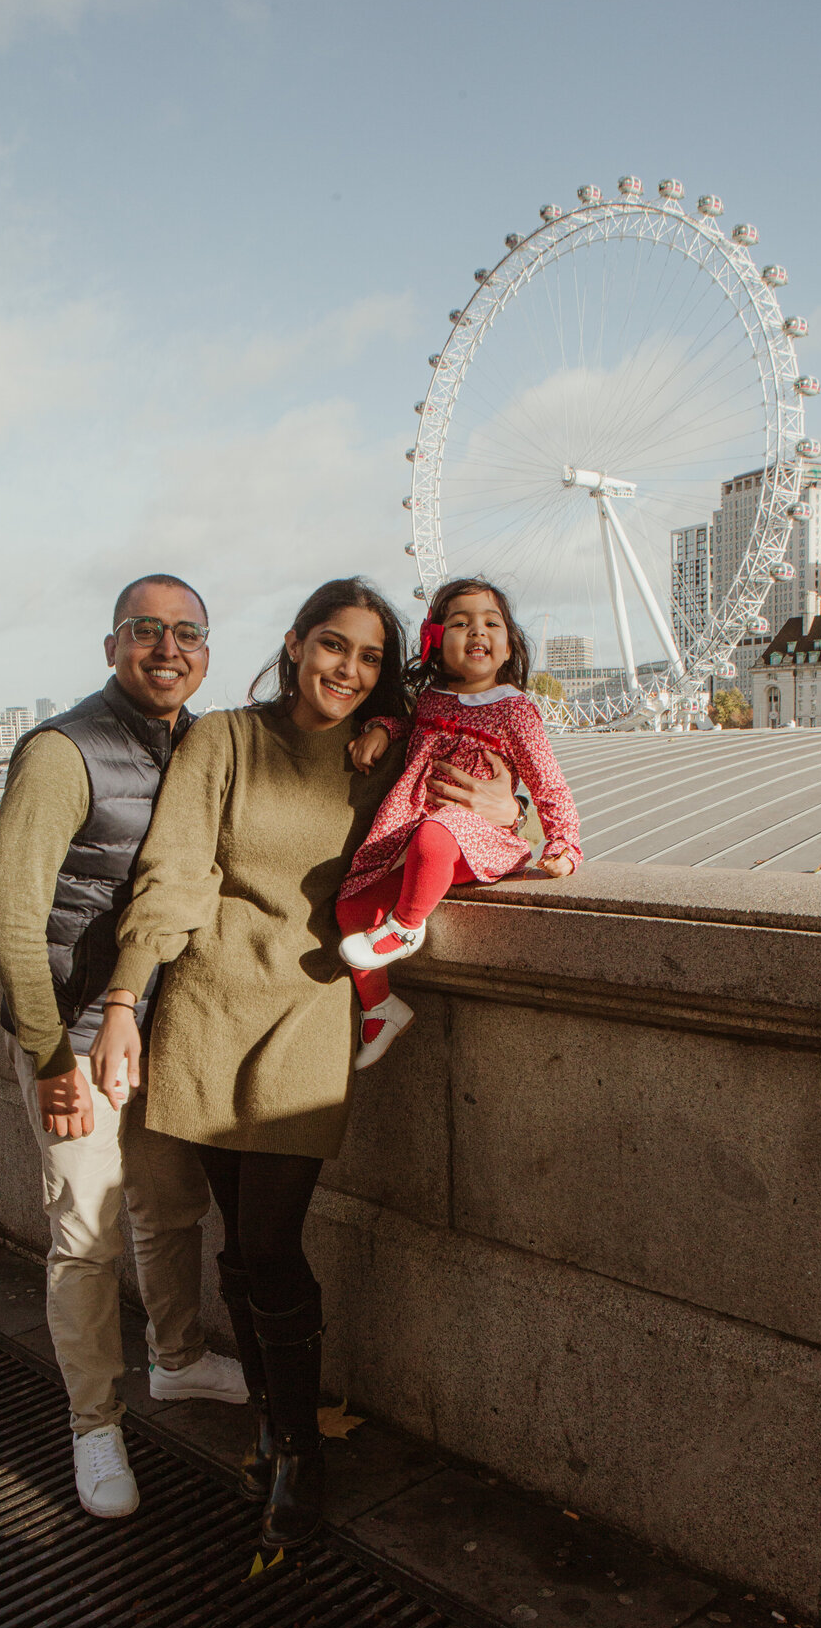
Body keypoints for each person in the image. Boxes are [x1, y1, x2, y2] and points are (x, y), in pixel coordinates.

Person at [87, 576, 522, 1549]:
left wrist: (505, 801)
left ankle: (299, 1450)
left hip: (308, 1018)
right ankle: (278, 1427)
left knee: (273, 1243)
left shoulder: (391, 751)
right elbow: (176, 873)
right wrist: (125, 999)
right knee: (238, 1242)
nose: (348, 670)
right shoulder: (224, 741)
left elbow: (498, 833)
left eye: (369, 658)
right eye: (334, 647)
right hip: (204, 1013)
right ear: (294, 644)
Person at [0, 574, 247, 1522]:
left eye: (187, 633)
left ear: (206, 653)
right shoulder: (63, 752)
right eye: (146, 630)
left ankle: (175, 1362)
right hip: (77, 1036)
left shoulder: (204, 742)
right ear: (110, 647)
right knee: (85, 1240)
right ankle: (95, 1425)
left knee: (171, 1210)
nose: (167, 648)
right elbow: (12, 924)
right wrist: (53, 1058)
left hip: (165, 1032)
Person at [336, 577, 581, 1068]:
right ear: (434, 640)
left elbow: (548, 781)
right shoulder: (431, 700)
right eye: (460, 623)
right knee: (352, 905)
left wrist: (564, 844)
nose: (477, 632)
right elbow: (412, 727)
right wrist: (384, 727)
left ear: (508, 642)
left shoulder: (515, 711)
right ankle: (380, 1007)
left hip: (475, 837)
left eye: (492, 623)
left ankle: (407, 926)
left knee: (437, 833)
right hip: (415, 831)